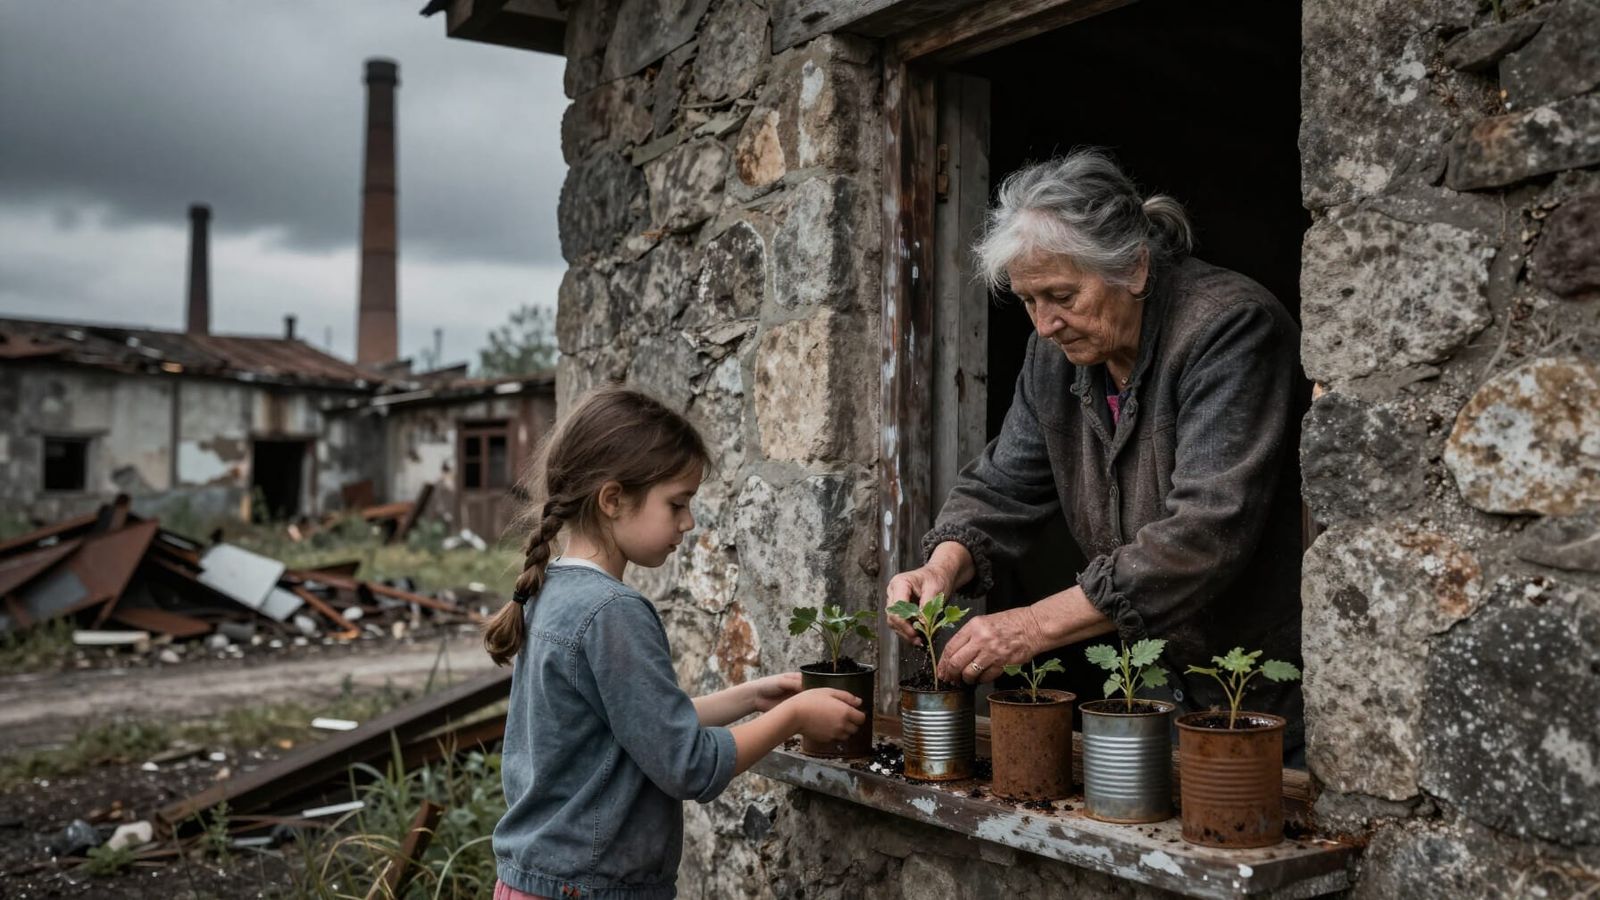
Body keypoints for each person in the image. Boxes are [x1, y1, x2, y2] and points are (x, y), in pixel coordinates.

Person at [885, 149, 1305, 752]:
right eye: (1029, 301)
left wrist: (1029, 626)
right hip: (1155, 677)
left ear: (1134, 268)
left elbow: (1206, 532)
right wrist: (942, 566)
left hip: (1259, 681)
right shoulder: (1056, 354)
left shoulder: (1229, 327)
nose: (1045, 324)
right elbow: (1005, 483)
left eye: (1061, 295)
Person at [485, 387, 865, 900]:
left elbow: (638, 724)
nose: (688, 522)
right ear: (613, 499)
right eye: (677, 503)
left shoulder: (551, 590)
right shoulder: (612, 611)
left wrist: (751, 697)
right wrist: (794, 718)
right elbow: (688, 764)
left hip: (533, 882)